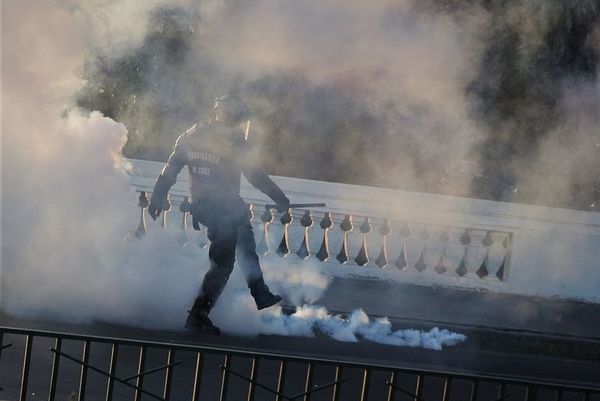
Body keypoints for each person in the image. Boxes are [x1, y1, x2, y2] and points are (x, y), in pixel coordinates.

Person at [147, 94, 290, 335]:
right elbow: (255, 176)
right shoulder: (234, 141)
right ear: (234, 116)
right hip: (220, 210)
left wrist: (158, 195)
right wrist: (281, 199)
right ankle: (197, 315)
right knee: (223, 263)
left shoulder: (192, 134)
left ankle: (260, 291)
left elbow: (170, 168)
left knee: (244, 231)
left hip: (217, 206)